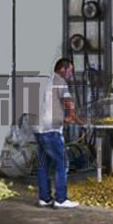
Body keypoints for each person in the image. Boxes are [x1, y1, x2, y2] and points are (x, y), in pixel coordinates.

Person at [34, 58, 84, 209]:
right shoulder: (60, 81)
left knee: (43, 165)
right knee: (62, 163)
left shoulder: (47, 81)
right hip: (51, 130)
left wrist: (68, 117)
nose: (71, 75)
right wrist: (74, 117)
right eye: (70, 71)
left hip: (39, 129)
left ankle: (44, 198)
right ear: (63, 69)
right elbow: (68, 102)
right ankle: (61, 199)